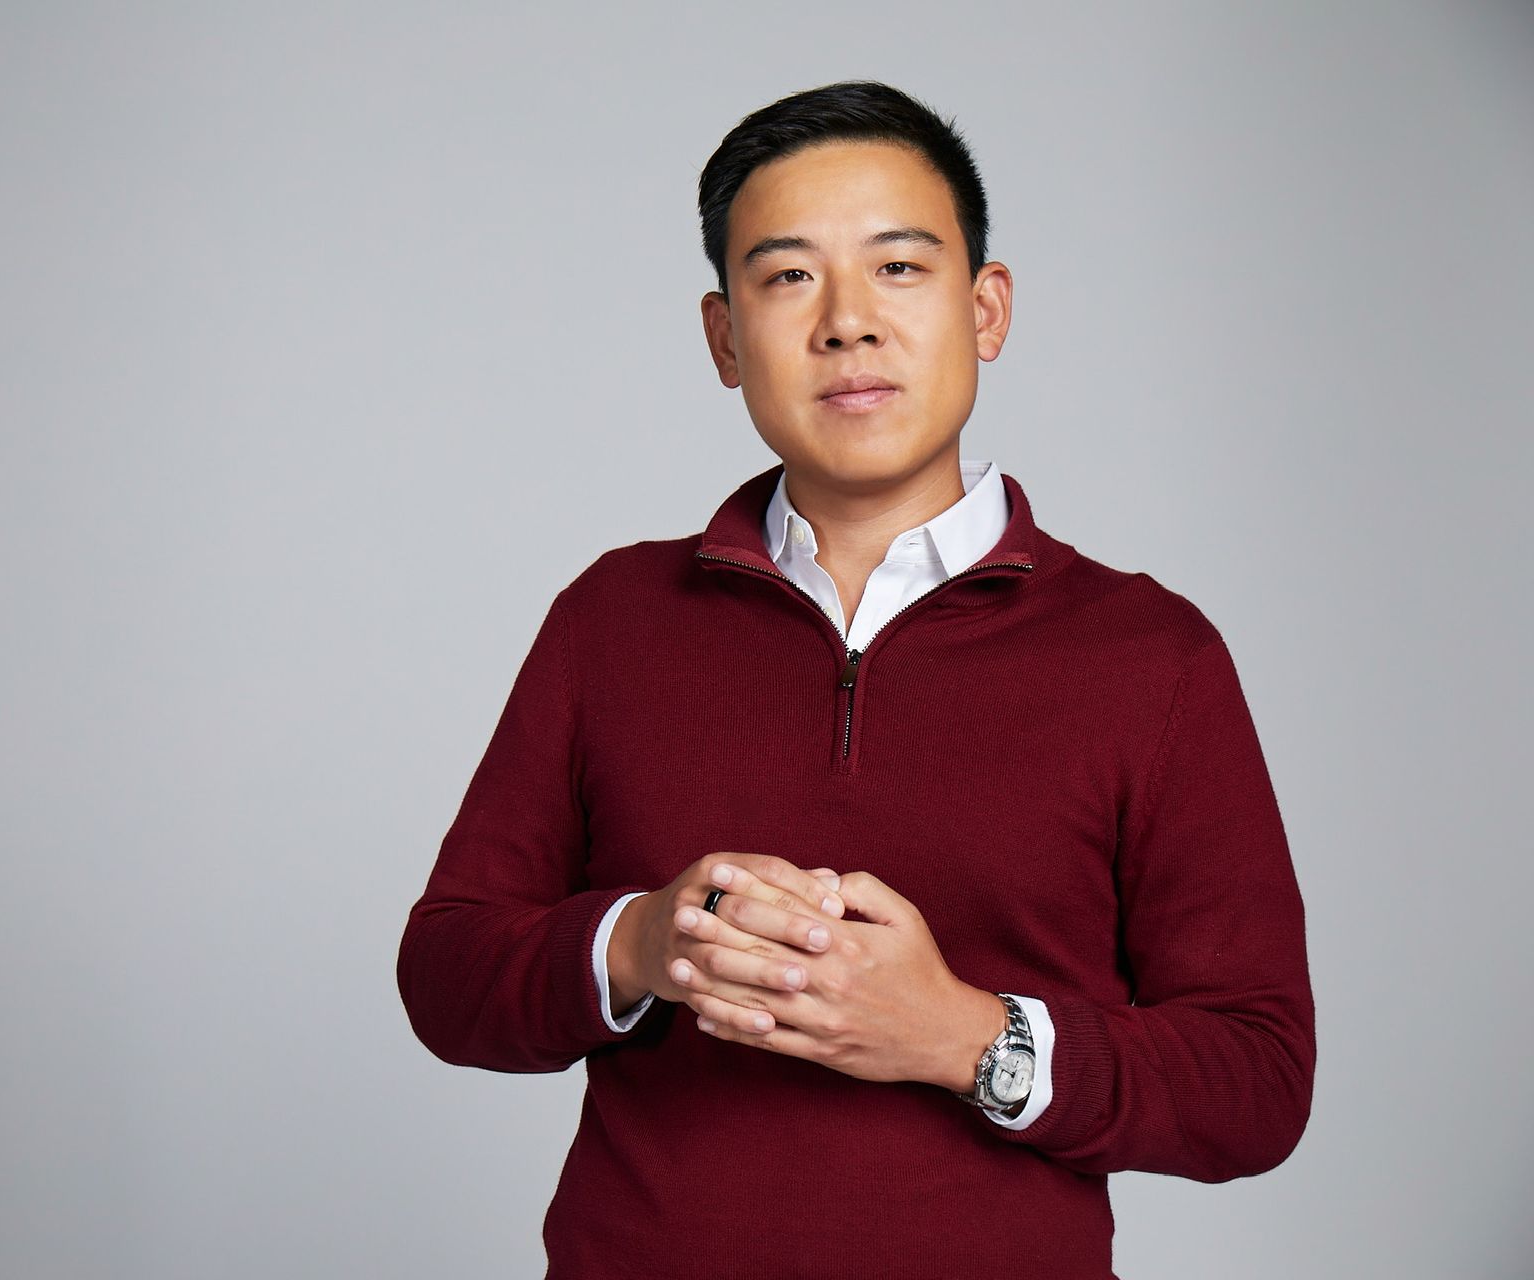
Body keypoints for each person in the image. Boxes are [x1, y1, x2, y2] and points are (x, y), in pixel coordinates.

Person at [396, 79, 1314, 1279]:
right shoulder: (611, 618)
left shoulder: (1151, 655)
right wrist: (640, 941)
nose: (846, 323)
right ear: (726, 340)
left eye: (897, 267)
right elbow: (447, 972)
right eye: (788, 276)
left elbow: (1257, 1079)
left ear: (986, 308)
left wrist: (962, 1036)